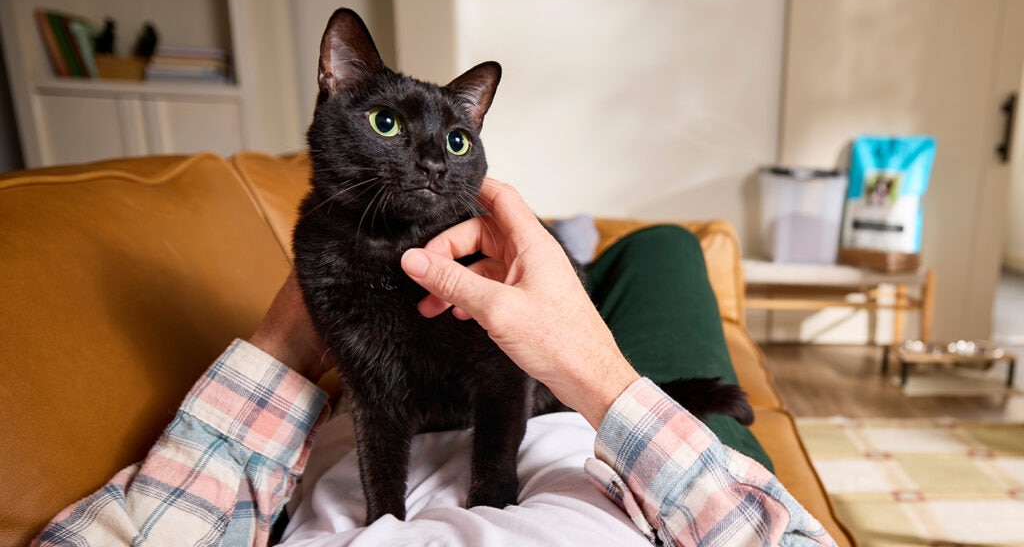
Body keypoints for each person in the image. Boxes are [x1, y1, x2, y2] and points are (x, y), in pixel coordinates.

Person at [33, 178, 836, 547]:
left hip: (422, 412)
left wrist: (286, 342)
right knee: (663, 248)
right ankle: (573, 257)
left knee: (608, 258)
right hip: (619, 454)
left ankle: (566, 255)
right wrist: (598, 374)